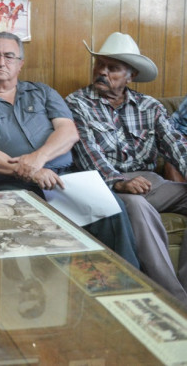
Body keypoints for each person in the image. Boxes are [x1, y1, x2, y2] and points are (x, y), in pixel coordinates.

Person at [0, 32, 140, 268]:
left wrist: (37, 160)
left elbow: (68, 132)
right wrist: (29, 171)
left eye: (10, 56)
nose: (1, 62)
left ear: (20, 64)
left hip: (63, 178)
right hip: (8, 186)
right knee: (23, 230)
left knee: (111, 209)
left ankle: (126, 281)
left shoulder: (43, 92)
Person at [66, 32, 187, 306]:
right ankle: (175, 301)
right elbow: (88, 154)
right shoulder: (76, 104)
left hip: (152, 183)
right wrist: (119, 182)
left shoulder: (150, 107)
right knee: (136, 205)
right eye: (100, 64)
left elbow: (177, 147)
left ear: (130, 75)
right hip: (105, 186)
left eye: (113, 68)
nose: (102, 72)